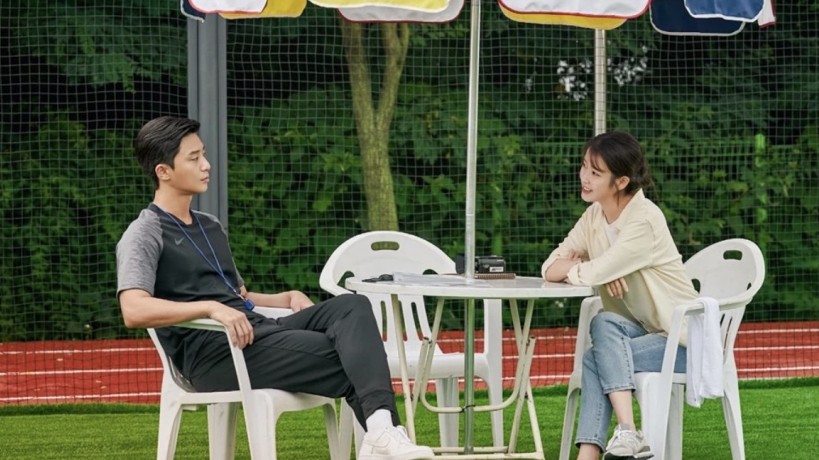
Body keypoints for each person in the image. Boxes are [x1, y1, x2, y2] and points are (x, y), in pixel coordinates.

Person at [116, 116, 434, 460]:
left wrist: (283, 298)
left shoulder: (210, 226)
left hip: (255, 332)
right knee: (352, 355)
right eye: (194, 159)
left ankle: (381, 435)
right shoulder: (145, 232)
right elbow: (133, 309)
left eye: (203, 154)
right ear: (163, 171)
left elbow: (237, 295)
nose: (206, 165)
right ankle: (382, 436)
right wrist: (209, 308)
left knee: (352, 307)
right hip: (214, 354)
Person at [541, 132, 698, 460]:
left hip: (683, 339)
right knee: (603, 321)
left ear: (621, 181)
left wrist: (596, 269)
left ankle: (614, 439)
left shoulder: (644, 220)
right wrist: (594, 267)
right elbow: (549, 267)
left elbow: (591, 271)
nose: (584, 177)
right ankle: (625, 436)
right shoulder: (594, 215)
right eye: (584, 166)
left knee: (594, 357)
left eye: (596, 173)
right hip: (642, 331)